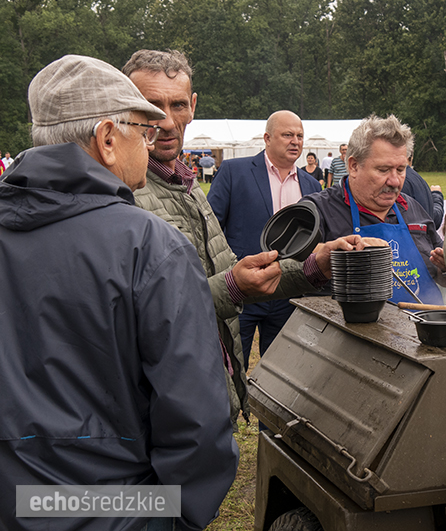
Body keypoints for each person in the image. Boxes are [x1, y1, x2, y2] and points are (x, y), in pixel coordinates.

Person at [0, 54, 238, 531]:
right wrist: (171, 517)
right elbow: (196, 425)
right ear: (108, 139)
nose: (152, 142)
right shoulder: (151, 246)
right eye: (144, 130)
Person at [123, 50, 358, 426]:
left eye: (177, 105)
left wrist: (316, 264)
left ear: (192, 106)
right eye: (151, 106)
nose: (166, 120)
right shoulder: (123, 192)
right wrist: (232, 286)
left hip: (206, 385)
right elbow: (140, 312)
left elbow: (221, 266)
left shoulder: (186, 185)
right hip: (162, 405)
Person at [208, 110, 322, 365]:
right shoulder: (234, 171)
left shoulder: (312, 186)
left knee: (281, 367)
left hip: (288, 294)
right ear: (267, 138)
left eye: (300, 136)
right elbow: (211, 227)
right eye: (288, 135)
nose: (295, 141)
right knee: (231, 365)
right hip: (243, 290)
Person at [303, 115, 446, 305]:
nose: (395, 181)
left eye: (401, 170)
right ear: (354, 166)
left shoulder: (413, 208)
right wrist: (325, 256)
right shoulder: (316, 210)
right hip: (350, 323)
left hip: (424, 321)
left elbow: (442, 277)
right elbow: (289, 272)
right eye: (383, 170)